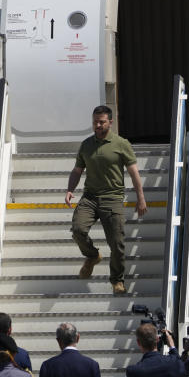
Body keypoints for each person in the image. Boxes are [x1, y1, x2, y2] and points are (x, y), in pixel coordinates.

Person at [65, 105, 147, 295]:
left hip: (112, 198)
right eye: (95, 122)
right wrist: (70, 190)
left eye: (102, 122)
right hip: (90, 198)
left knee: (117, 244)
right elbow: (78, 170)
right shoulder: (86, 144)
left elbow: (133, 172)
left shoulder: (121, 143)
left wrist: (141, 198)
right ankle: (93, 256)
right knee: (78, 230)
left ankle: (117, 280)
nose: (98, 125)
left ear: (110, 122)